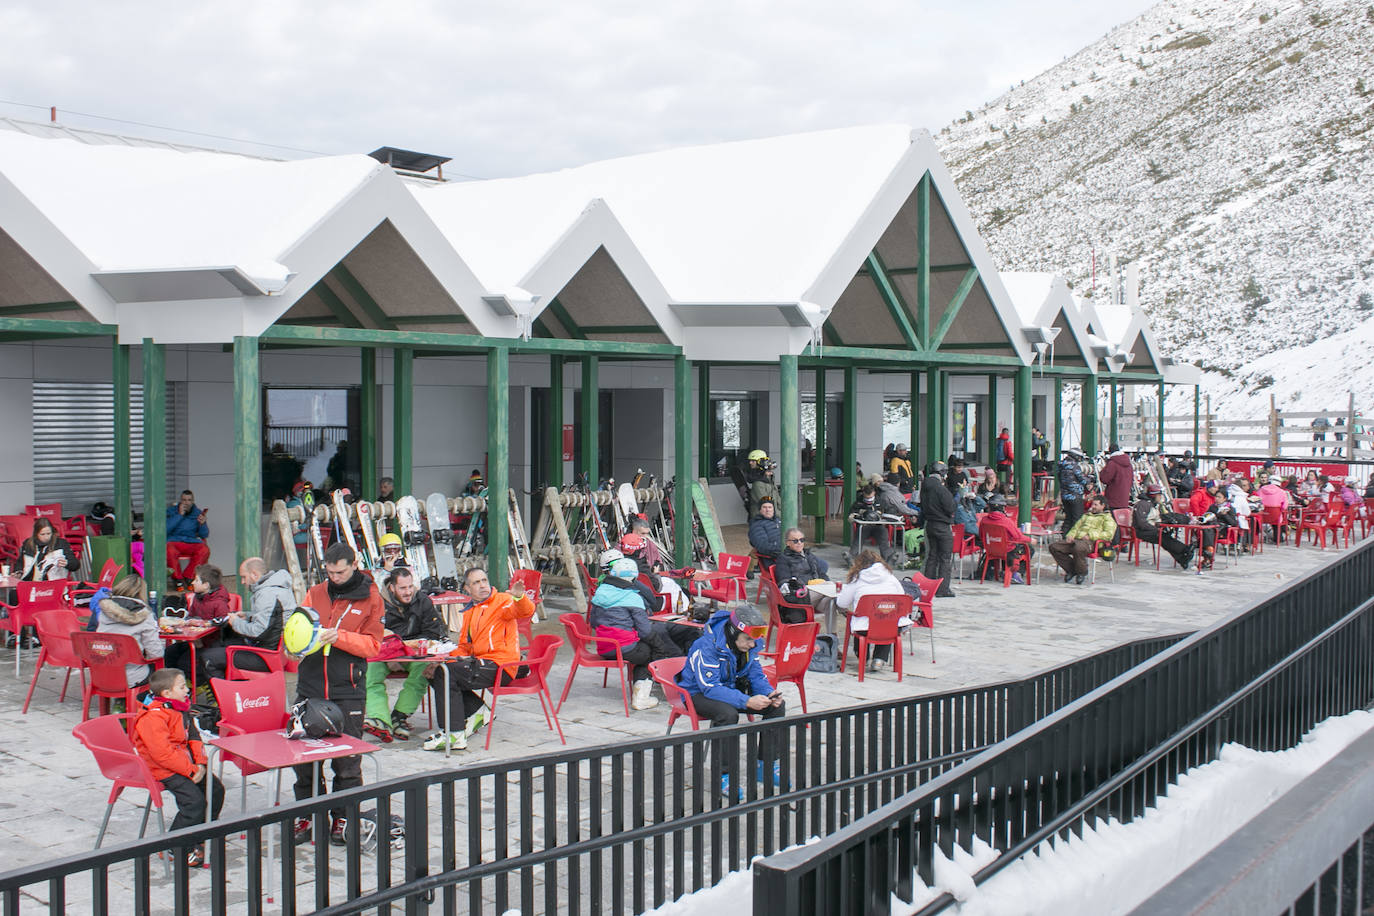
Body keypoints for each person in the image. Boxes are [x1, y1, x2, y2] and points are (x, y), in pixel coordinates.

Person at [290, 542, 385, 846]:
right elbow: (297, 631)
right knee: (304, 759)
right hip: (310, 686)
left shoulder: (371, 597)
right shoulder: (315, 592)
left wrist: (339, 637)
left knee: (347, 762)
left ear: (354, 564)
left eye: (340, 572)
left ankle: (343, 817)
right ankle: (307, 815)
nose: (335, 577)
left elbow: (373, 645)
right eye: (330, 572)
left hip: (348, 688)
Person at [421, 567, 536, 752]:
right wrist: (443, 659)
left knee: (447, 672)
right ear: (467, 588)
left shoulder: (503, 601)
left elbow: (525, 611)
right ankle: (478, 712)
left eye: (484, 580)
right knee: (436, 671)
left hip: (502, 665)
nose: (482, 585)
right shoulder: (470, 612)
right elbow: (464, 647)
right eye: (476, 582)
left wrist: (519, 597)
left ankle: (454, 734)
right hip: (481, 663)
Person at [676, 604, 785, 798]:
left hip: (728, 688)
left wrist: (768, 693)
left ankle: (766, 766)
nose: (753, 644)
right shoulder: (707, 645)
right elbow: (709, 687)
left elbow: (756, 675)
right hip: (696, 693)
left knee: (776, 707)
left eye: (755, 640)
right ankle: (723, 777)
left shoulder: (750, 646)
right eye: (748, 639)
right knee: (727, 715)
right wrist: (746, 701)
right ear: (734, 632)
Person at [131, 668, 225, 867]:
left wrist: (200, 763)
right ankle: (173, 845)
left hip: (186, 763)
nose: (187, 690)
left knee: (215, 790)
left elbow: (193, 737)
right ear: (166, 693)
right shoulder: (152, 718)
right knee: (193, 802)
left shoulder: (179, 708)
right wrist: (191, 771)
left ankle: (199, 834)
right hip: (163, 768)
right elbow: (162, 755)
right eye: (182, 687)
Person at [589, 558, 697, 710]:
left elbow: (593, 622)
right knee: (652, 652)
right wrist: (660, 647)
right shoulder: (632, 598)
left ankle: (643, 689)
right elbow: (645, 630)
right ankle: (642, 696)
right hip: (624, 647)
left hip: (605, 647)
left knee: (646, 650)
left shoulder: (600, 593)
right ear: (633, 578)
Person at [363, 567, 448, 741]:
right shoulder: (378, 603)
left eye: (410, 587)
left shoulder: (423, 601)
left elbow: (434, 633)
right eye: (403, 588)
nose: (408, 592)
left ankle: (399, 716)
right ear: (392, 588)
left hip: (413, 654)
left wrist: (408, 649)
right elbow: (371, 633)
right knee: (370, 671)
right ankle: (380, 719)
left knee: (425, 668)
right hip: (385, 653)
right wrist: (392, 652)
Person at [201, 557, 292, 681]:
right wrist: (248, 615)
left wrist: (235, 622)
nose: (243, 582)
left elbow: (258, 632)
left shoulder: (267, 594)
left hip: (265, 656)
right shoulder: (277, 587)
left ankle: (227, 697)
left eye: (244, 577)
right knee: (217, 645)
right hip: (276, 651)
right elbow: (273, 619)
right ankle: (237, 688)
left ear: (254, 574)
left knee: (208, 657)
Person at [834, 550, 911, 666]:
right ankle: (879, 659)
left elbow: (842, 603)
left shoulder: (857, 579)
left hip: (864, 627)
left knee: (860, 622)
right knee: (887, 620)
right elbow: (901, 597)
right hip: (891, 626)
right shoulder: (891, 577)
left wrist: (839, 594)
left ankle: (863, 657)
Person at [94, 575, 164, 691]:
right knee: (161, 664)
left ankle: (120, 702)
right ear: (141, 593)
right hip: (132, 678)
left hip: (101, 675)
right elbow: (156, 654)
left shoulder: (103, 611)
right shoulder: (145, 615)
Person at [165, 564, 231, 686]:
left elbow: (224, 621)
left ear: (206, 585)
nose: (193, 582)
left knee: (185, 662)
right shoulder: (197, 597)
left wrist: (204, 627)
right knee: (170, 653)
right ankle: (173, 686)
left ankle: (198, 684)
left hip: (212, 644)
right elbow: (191, 616)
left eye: (196, 580)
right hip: (195, 640)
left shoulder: (219, 602)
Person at [1047, 496, 1117, 585]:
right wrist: (1070, 535)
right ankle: (1071, 570)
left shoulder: (1107, 518)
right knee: (1054, 547)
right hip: (1077, 539)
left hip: (1092, 542)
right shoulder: (1086, 515)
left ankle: (1081, 572)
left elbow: (1109, 534)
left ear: (1102, 506)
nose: (1093, 506)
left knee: (1078, 548)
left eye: (1096, 505)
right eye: (1093, 504)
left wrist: (1091, 535)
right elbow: (1076, 527)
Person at [1133, 484, 1193, 569]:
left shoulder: (1153, 504)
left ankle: (1182, 558)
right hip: (1141, 531)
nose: (1160, 497)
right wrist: (1156, 528)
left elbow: (1156, 518)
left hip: (1150, 529)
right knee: (1162, 536)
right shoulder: (1142, 505)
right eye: (1159, 495)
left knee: (1165, 536)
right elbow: (1141, 523)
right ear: (1154, 495)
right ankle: (1184, 550)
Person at [920, 462, 956, 598]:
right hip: (942, 525)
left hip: (930, 523)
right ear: (942, 474)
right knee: (945, 558)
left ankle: (927, 587)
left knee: (932, 556)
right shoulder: (941, 489)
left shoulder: (925, 486)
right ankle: (943, 589)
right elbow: (950, 508)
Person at [978, 494, 1033, 584]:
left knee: (1008, 546)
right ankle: (1016, 573)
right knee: (1029, 549)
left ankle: (1005, 572)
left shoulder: (984, 520)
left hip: (990, 550)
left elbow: (981, 535)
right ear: (1003, 508)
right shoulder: (1007, 521)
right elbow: (1018, 537)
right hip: (1007, 550)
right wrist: (1030, 540)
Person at [166, 490, 210, 586]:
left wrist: (202, 524)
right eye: (184, 500)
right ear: (180, 501)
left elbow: (204, 535)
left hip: (190, 541)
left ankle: (189, 576)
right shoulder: (171, 511)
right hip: (174, 541)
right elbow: (165, 530)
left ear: (193, 501)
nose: (186, 502)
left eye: (189, 500)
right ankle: (177, 579)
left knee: (204, 550)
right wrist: (179, 515)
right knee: (169, 550)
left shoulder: (197, 513)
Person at [18, 517, 77, 582]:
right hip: (30, 582)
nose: (46, 537)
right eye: (42, 534)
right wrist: (18, 572)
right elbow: (20, 562)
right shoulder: (28, 544)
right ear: (36, 534)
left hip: (54, 583)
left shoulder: (61, 544)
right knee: (13, 592)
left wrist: (67, 563)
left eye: (48, 534)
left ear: (52, 532)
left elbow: (75, 565)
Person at [848, 485, 893, 559]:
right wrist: (860, 513)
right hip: (864, 526)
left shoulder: (880, 500)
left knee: (883, 535)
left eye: (870, 497)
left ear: (874, 493)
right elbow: (851, 513)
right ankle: (852, 556)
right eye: (867, 497)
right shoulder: (859, 501)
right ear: (863, 494)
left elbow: (890, 510)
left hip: (878, 526)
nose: (868, 499)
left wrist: (883, 515)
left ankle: (888, 556)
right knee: (858, 538)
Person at [1058, 448, 1089, 536]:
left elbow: (1059, 478)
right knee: (1077, 518)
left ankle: (1064, 536)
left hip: (1064, 496)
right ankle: (1074, 538)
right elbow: (1082, 480)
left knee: (1068, 517)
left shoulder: (1061, 465)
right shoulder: (1074, 466)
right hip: (1075, 496)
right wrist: (1090, 479)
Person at [747, 498, 782, 574]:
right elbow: (763, 546)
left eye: (770, 507)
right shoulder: (756, 525)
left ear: (773, 509)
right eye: (764, 507)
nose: (767, 510)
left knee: (811, 558)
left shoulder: (779, 521)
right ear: (760, 510)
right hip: (773, 559)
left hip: (787, 553)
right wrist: (781, 550)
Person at [742, 450, 780, 519]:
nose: (750, 463)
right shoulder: (758, 483)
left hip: (772, 515)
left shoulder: (769, 479)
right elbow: (765, 504)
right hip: (762, 518)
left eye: (753, 461)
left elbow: (776, 496)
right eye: (750, 461)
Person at [1098, 443, 1134, 510]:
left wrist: (1103, 470)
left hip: (1113, 499)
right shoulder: (1129, 464)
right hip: (1124, 499)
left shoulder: (1112, 463)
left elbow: (1104, 479)